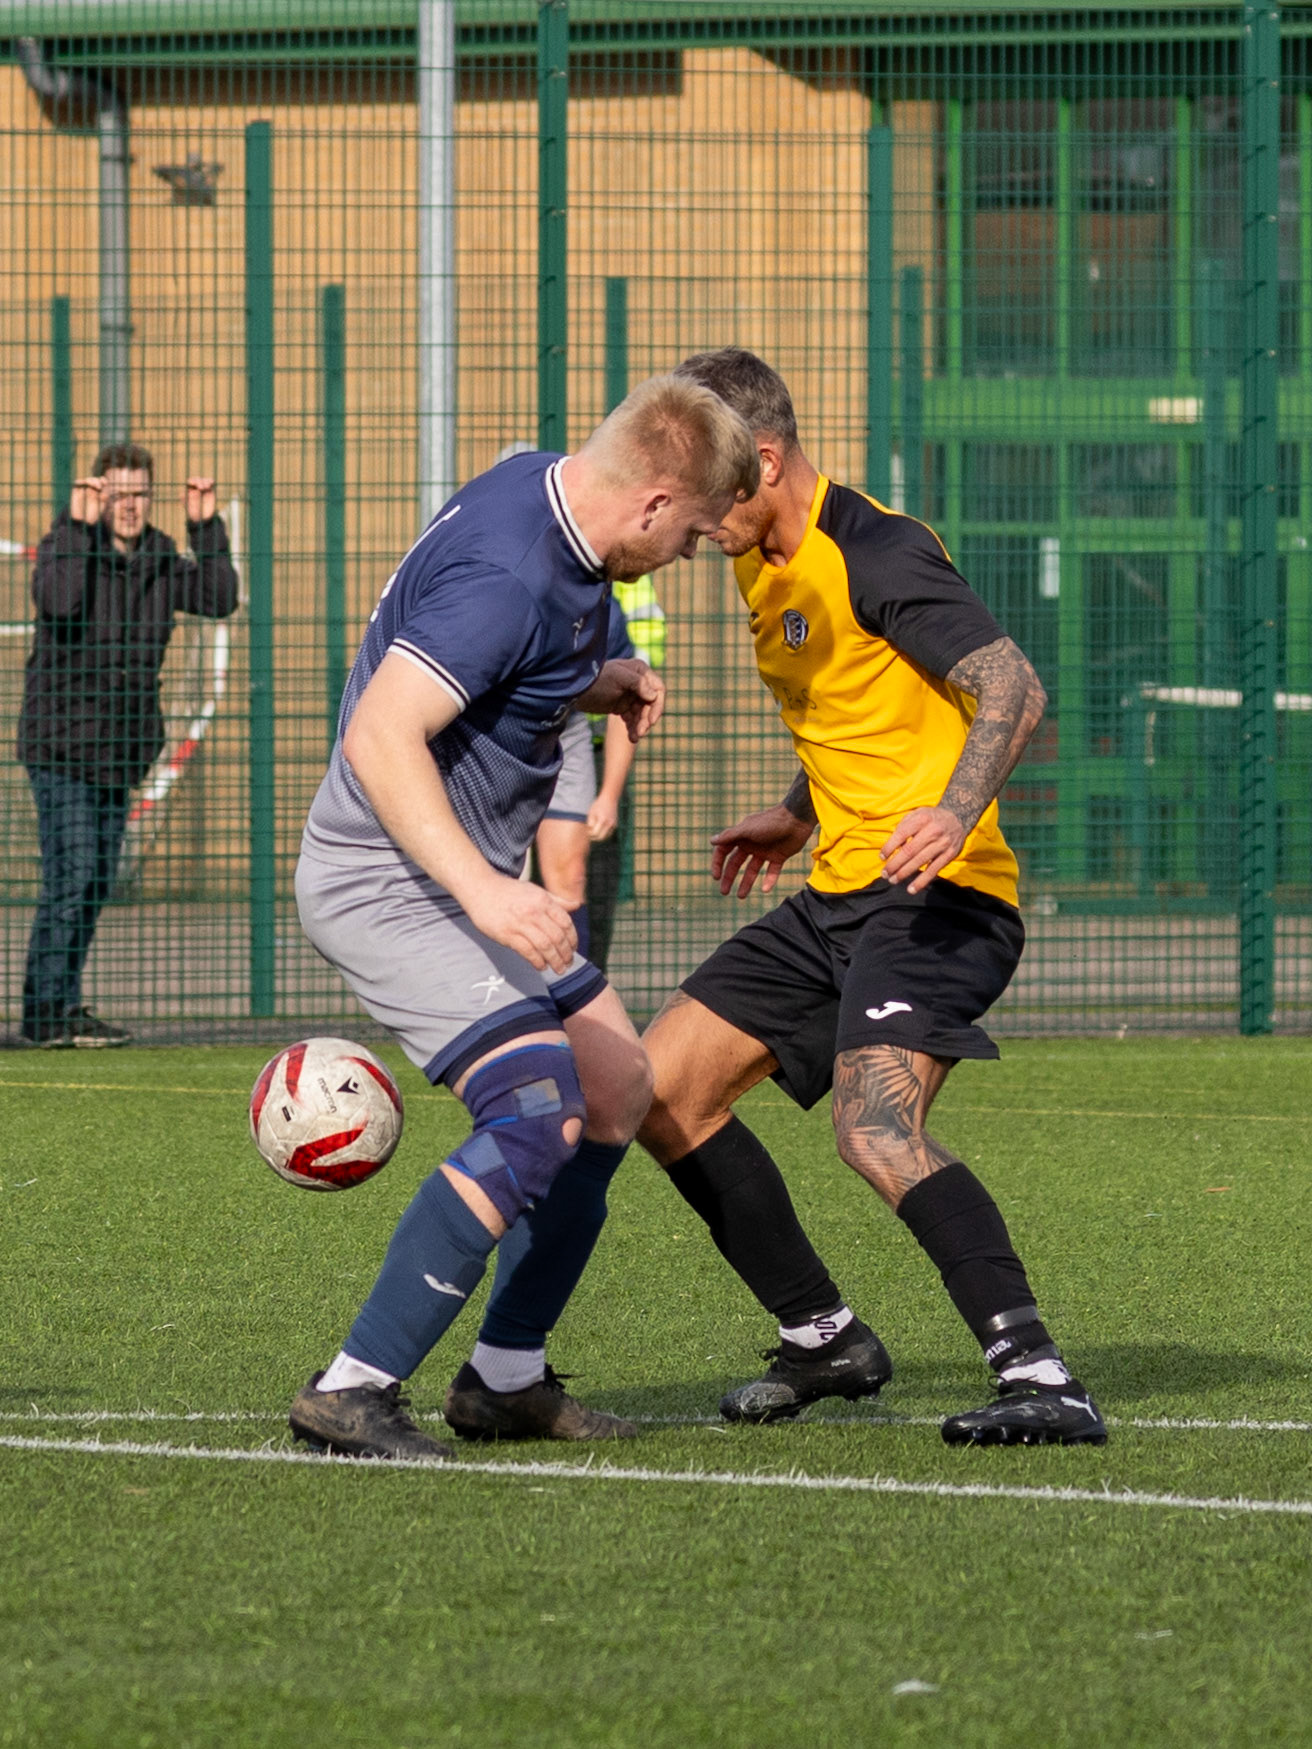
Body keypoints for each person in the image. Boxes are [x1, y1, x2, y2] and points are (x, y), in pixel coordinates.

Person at [466, 348, 1106, 1449]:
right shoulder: (759, 556)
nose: (695, 517)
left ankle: (1039, 1374)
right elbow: (863, 706)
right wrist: (798, 811)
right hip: (838, 889)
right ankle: (824, 1337)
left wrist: (954, 812)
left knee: (875, 1128)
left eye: (711, 489)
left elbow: (1011, 683)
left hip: (940, 894)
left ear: (763, 461)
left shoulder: (876, 551)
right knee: (658, 1090)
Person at [288, 374, 759, 1462]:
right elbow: (380, 735)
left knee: (617, 1085)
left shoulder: (546, 494)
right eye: (693, 534)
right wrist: (490, 890)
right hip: (385, 878)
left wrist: (596, 679)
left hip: (451, 875)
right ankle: (353, 1387)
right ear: (652, 502)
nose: (689, 554)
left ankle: (503, 1379)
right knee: (535, 1107)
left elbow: (501, 666)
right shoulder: (508, 577)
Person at [13, 444, 238, 1049]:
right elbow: (58, 603)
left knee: (92, 883)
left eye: (140, 494)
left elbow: (219, 597)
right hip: (61, 746)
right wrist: (76, 526)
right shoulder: (66, 547)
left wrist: (205, 527)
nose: (131, 505)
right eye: (118, 495)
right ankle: (44, 1015)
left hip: (121, 750)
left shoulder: (161, 559)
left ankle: (62, 1007)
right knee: (73, 873)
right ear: (98, 496)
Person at [531, 591, 641, 961]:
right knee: (494, 877)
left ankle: (571, 987)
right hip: (489, 730)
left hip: (565, 728)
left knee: (570, 879)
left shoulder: (603, 609)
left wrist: (608, 796)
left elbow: (624, 702)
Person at [583, 573, 666, 973]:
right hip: (547, 745)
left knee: (593, 885)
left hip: (600, 746)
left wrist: (609, 795)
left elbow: (632, 689)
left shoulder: (627, 585)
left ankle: (586, 982)